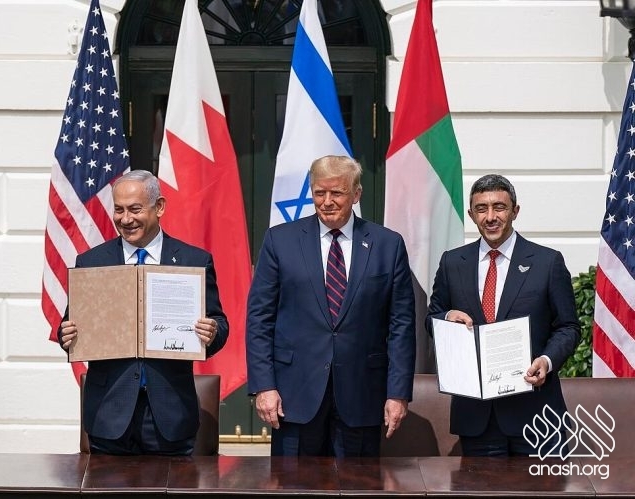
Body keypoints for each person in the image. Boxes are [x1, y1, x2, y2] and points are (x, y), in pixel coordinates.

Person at [245, 155, 416, 457]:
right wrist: (264, 386)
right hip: (293, 397)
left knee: (357, 483)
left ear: (356, 194)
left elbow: (401, 326)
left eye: (336, 193)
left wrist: (398, 393)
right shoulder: (280, 241)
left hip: (362, 396)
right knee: (294, 483)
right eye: (319, 193)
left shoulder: (387, 245)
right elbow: (260, 319)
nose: (326, 202)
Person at [59, 169, 228, 456]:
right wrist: (67, 335)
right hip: (109, 414)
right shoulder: (92, 262)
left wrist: (212, 332)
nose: (126, 219)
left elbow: (219, 323)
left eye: (135, 209)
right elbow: (69, 325)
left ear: (159, 207)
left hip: (171, 415)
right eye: (119, 210)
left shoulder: (193, 260)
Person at [426, 174, 580, 457]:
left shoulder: (547, 262)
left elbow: (568, 327)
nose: (490, 217)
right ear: (471, 215)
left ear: (515, 211)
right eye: (481, 209)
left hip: (537, 415)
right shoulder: (452, 262)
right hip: (477, 417)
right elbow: (432, 317)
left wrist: (547, 361)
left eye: (499, 207)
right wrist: (447, 317)